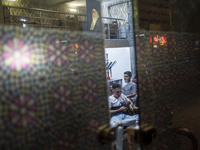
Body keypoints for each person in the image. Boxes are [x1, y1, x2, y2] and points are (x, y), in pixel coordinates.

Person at [108, 83, 139, 150]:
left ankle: (119, 123)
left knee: (138, 117)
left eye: (120, 91)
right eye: (117, 92)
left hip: (125, 116)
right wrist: (119, 109)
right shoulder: (110, 99)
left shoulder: (122, 95)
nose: (119, 93)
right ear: (112, 90)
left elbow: (130, 101)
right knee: (119, 129)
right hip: (116, 116)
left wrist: (130, 105)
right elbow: (108, 111)